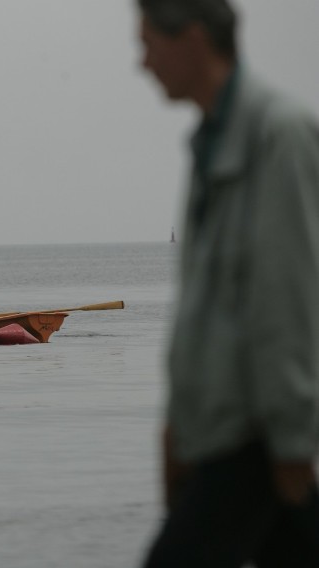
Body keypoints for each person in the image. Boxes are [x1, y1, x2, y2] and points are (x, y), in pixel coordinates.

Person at [136, 0, 319, 565]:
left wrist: (291, 443)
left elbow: (287, 297)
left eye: (149, 43)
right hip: (216, 435)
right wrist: (177, 426)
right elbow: (201, 307)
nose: (142, 62)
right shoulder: (207, 147)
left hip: (255, 439)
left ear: (192, 39)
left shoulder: (279, 134)